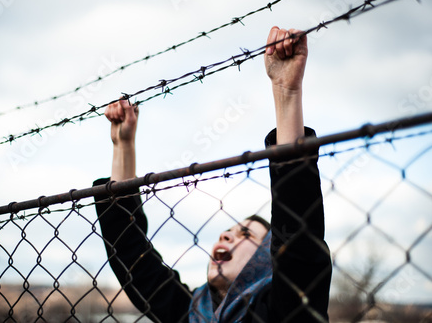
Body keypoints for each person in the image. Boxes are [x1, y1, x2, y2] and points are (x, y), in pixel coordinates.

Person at [93, 26, 332, 323]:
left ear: (266, 261)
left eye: (246, 235)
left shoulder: (283, 312)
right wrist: (123, 147)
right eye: (230, 231)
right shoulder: (189, 313)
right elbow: (132, 257)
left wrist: (286, 92)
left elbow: (297, 236)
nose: (226, 235)